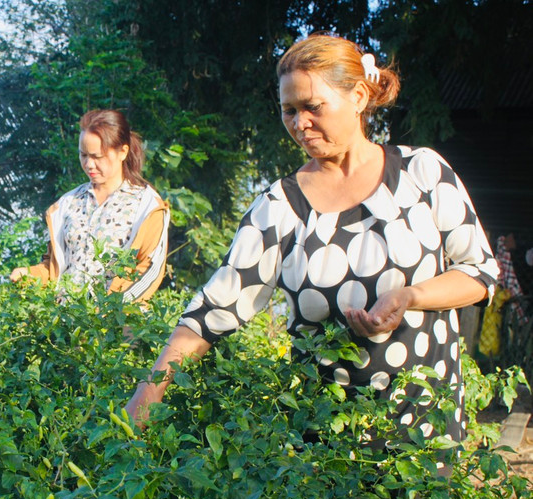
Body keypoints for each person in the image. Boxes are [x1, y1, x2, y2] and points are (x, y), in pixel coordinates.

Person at [125, 34, 499, 451]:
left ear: (358, 96)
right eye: (289, 110)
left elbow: (479, 272)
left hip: (425, 430)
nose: (300, 123)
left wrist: (412, 296)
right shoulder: (279, 207)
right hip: (325, 447)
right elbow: (215, 307)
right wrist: (150, 391)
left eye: (312, 107)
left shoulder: (423, 173)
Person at [9, 109, 170, 303]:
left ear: (122, 152)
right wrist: (29, 275)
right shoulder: (67, 204)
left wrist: (112, 309)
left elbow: (149, 270)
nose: (89, 164)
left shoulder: (146, 205)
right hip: (66, 324)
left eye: (97, 157)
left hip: (116, 326)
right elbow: (54, 268)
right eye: (83, 155)